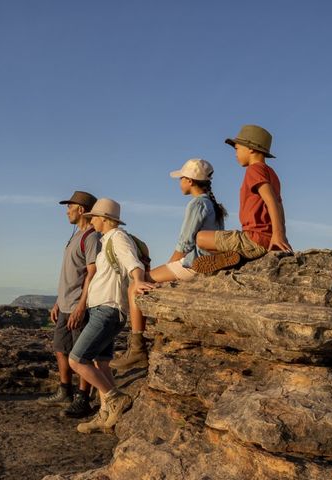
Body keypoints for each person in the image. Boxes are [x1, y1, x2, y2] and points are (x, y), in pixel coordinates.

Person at [114, 159, 227, 371]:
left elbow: (185, 242)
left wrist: (170, 264)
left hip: (194, 263)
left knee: (136, 286)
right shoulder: (212, 205)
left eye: (181, 179)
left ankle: (137, 349)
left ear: (190, 181)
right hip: (207, 261)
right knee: (149, 282)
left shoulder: (197, 204)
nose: (179, 183)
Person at [70, 198, 151, 434]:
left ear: (105, 219)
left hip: (108, 309)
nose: (91, 220)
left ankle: (115, 398)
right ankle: (106, 415)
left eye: (94, 216)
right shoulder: (106, 240)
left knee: (77, 359)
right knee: (100, 362)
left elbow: (132, 263)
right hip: (101, 308)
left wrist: (138, 281)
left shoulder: (118, 237)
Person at [191, 124, 290, 274]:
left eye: (237, 149)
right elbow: (278, 205)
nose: (235, 154)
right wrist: (280, 234)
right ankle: (236, 257)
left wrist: (278, 234)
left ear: (250, 149)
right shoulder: (271, 173)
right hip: (264, 240)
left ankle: (237, 259)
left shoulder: (254, 169)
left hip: (254, 239)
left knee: (200, 238)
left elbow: (271, 201)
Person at [40, 191, 100, 418]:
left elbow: (91, 273)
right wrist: (58, 302)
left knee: (82, 354)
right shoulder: (76, 235)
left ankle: (83, 399)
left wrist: (81, 305)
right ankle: (64, 390)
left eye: (70, 207)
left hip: (78, 306)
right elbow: (70, 274)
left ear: (82, 210)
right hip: (64, 305)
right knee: (60, 348)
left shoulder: (91, 237)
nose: (67, 211)